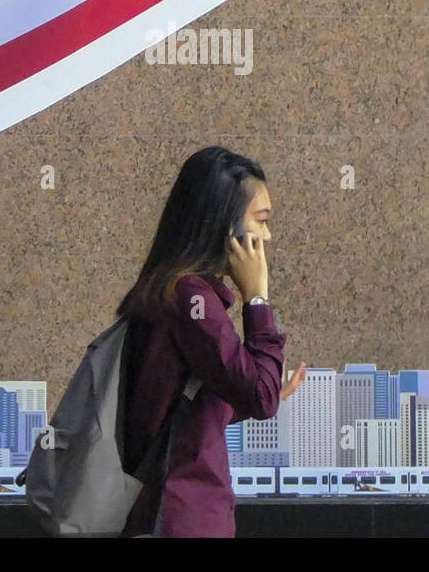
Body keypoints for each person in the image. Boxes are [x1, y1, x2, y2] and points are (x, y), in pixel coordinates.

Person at [114, 146, 307, 538]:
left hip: (166, 514)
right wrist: (257, 299)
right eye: (261, 220)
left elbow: (178, 410)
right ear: (226, 224)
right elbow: (259, 396)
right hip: (184, 518)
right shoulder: (192, 300)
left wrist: (261, 392)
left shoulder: (169, 290)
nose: (267, 235)